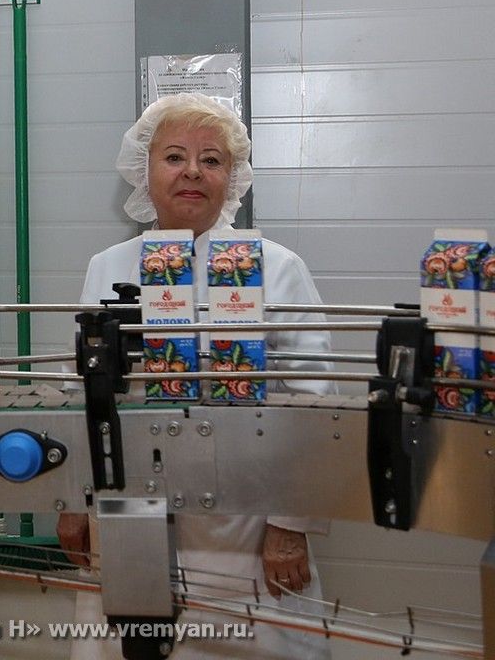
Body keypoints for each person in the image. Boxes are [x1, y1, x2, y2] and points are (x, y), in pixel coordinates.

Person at [59, 92, 335, 659]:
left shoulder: (276, 268)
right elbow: (78, 389)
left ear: (232, 178)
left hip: (245, 521)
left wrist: (291, 524)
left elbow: (315, 401)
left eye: (211, 160)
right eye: (174, 156)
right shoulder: (108, 267)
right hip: (126, 507)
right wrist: (70, 501)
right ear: (145, 171)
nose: (192, 172)